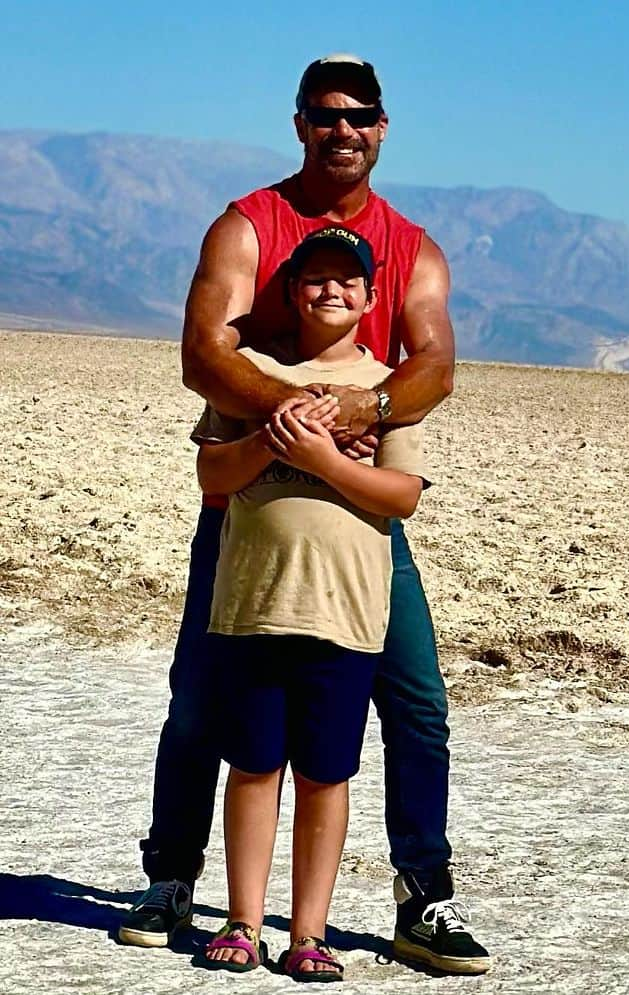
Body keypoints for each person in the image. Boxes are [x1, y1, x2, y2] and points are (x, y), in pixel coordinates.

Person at [118, 54, 491, 975]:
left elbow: (434, 364)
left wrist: (363, 409)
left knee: (416, 706)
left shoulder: (413, 248)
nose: (344, 130)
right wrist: (288, 414)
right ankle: (173, 878)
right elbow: (204, 352)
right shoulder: (252, 226)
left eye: (361, 115)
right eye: (326, 115)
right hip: (254, 507)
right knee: (202, 696)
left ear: (383, 127)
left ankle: (422, 898)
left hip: (361, 531)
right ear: (299, 124)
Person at [193, 228, 432, 982]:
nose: (330, 291)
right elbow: (212, 474)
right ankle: (242, 919)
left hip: (345, 615)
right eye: (314, 279)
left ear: (370, 297)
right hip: (254, 607)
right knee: (255, 765)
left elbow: (402, 496)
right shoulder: (251, 374)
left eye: (347, 281)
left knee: (326, 775)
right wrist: (274, 438)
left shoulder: (384, 387)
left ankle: (308, 930)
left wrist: (324, 458)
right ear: (293, 291)